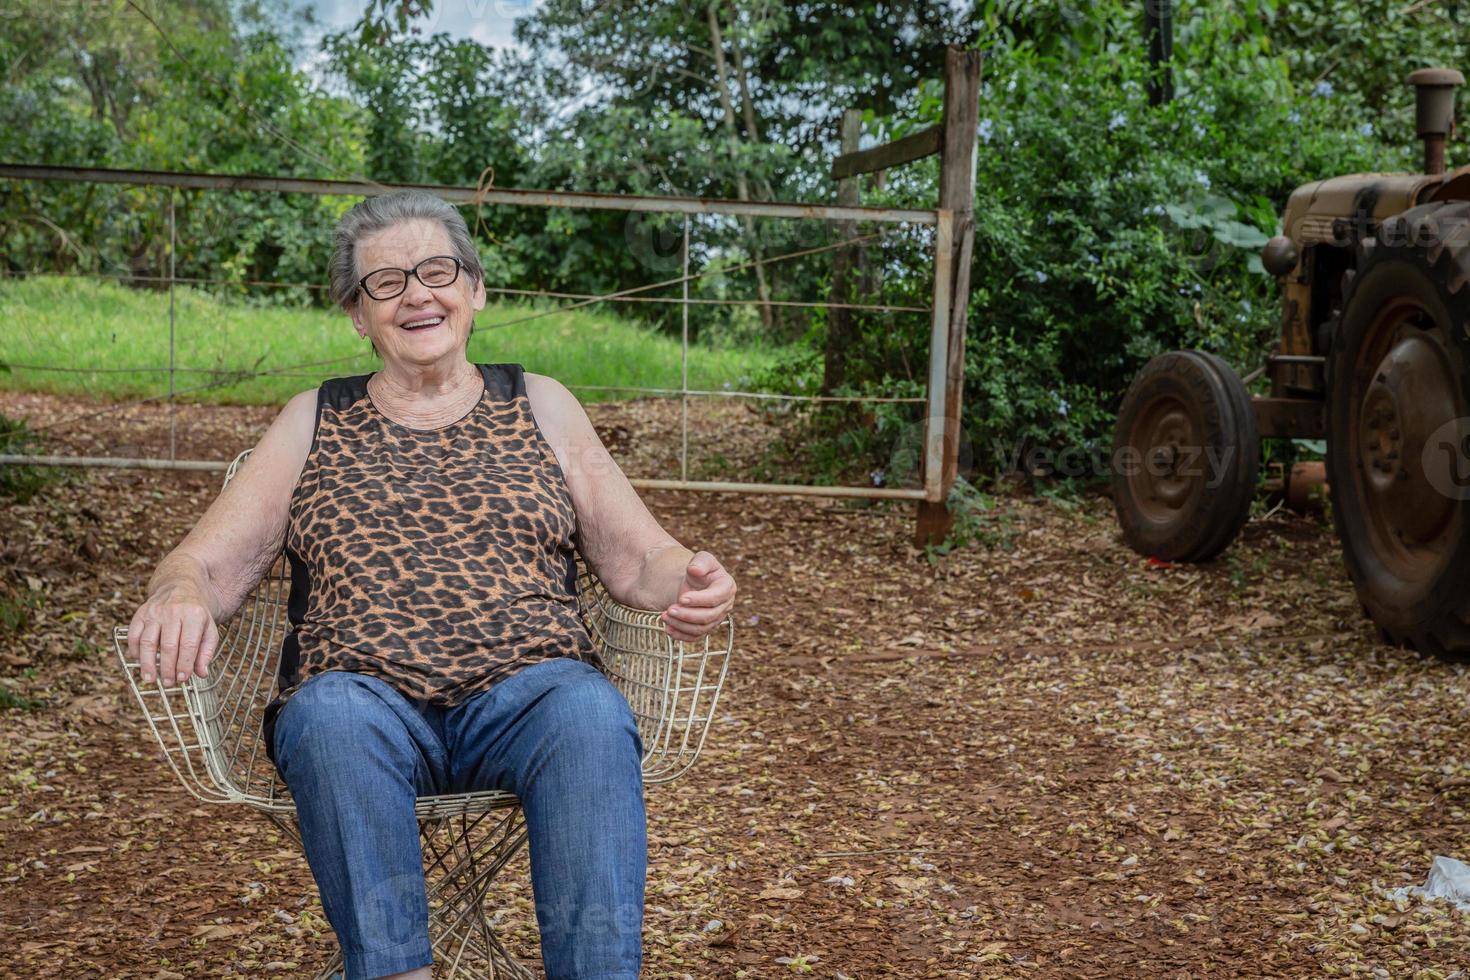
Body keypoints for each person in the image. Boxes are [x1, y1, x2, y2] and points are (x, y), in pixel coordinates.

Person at [125, 190, 738, 980]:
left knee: (590, 710)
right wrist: (177, 590)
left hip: (529, 695)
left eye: (437, 271)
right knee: (330, 716)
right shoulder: (314, 418)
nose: (417, 293)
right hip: (363, 700)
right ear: (358, 314)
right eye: (385, 282)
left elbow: (637, 557)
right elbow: (203, 564)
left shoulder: (540, 404)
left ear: (475, 290)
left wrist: (687, 578)